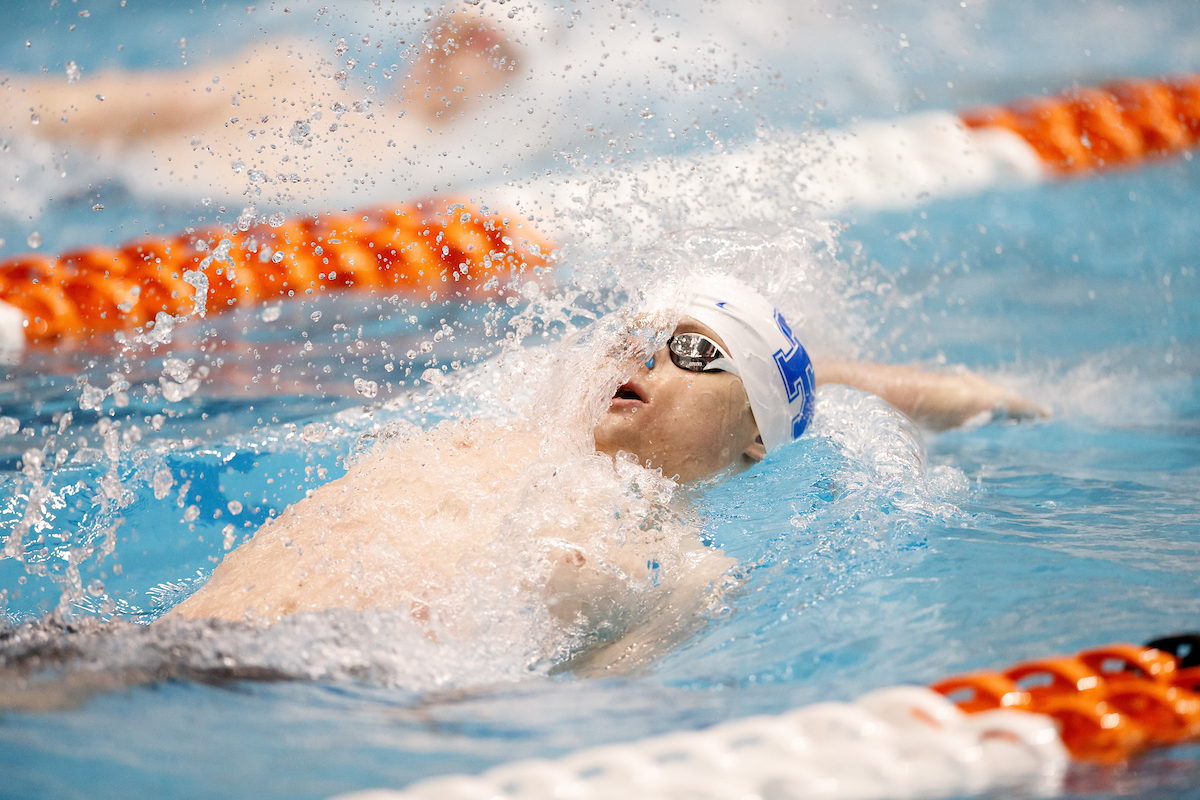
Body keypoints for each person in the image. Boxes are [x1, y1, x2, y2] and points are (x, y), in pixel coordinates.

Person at [167, 275, 1043, 650]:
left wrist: (965, 393)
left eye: (695, 354)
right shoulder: (510, 434)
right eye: (642, 344)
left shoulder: (688, 574)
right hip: (149, 643)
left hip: (291, 692)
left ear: (755, 437)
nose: (651, 360)